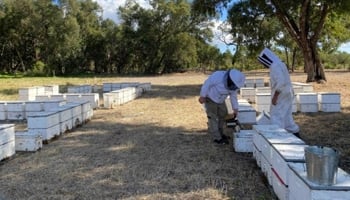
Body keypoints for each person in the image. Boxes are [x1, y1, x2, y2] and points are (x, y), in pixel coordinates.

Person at [257, 48, 300, 138]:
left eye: (263, 62)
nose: (263, 64)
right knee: (287, 116)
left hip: (281, 94)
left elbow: (281, 82)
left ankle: (279, 138)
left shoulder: (275, 66)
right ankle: (295, 134)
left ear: (267, 58)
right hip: (288, 92)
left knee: (276, 116)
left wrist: (275, 96)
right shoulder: (280, 64)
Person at [198, 69, 246, 144]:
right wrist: (202, 96)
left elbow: (233, 96)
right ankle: (217, 138)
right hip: (210, 98)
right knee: (212, 117)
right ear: (229, 79)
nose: (232, 86)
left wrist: (235, 108)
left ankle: (221, 133)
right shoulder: (218, 76)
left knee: (223, 114)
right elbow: (207, 84)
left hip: (221, 100)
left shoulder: (234, 86)